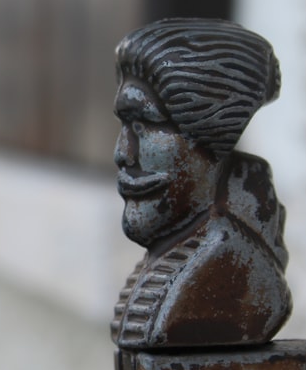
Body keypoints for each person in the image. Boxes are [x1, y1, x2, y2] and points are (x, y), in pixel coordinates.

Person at [110, 18, 291, 349]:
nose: (123, 153)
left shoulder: (238, 277)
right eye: (125, 126)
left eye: (143, 125)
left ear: (212, 140)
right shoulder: (181, 251)